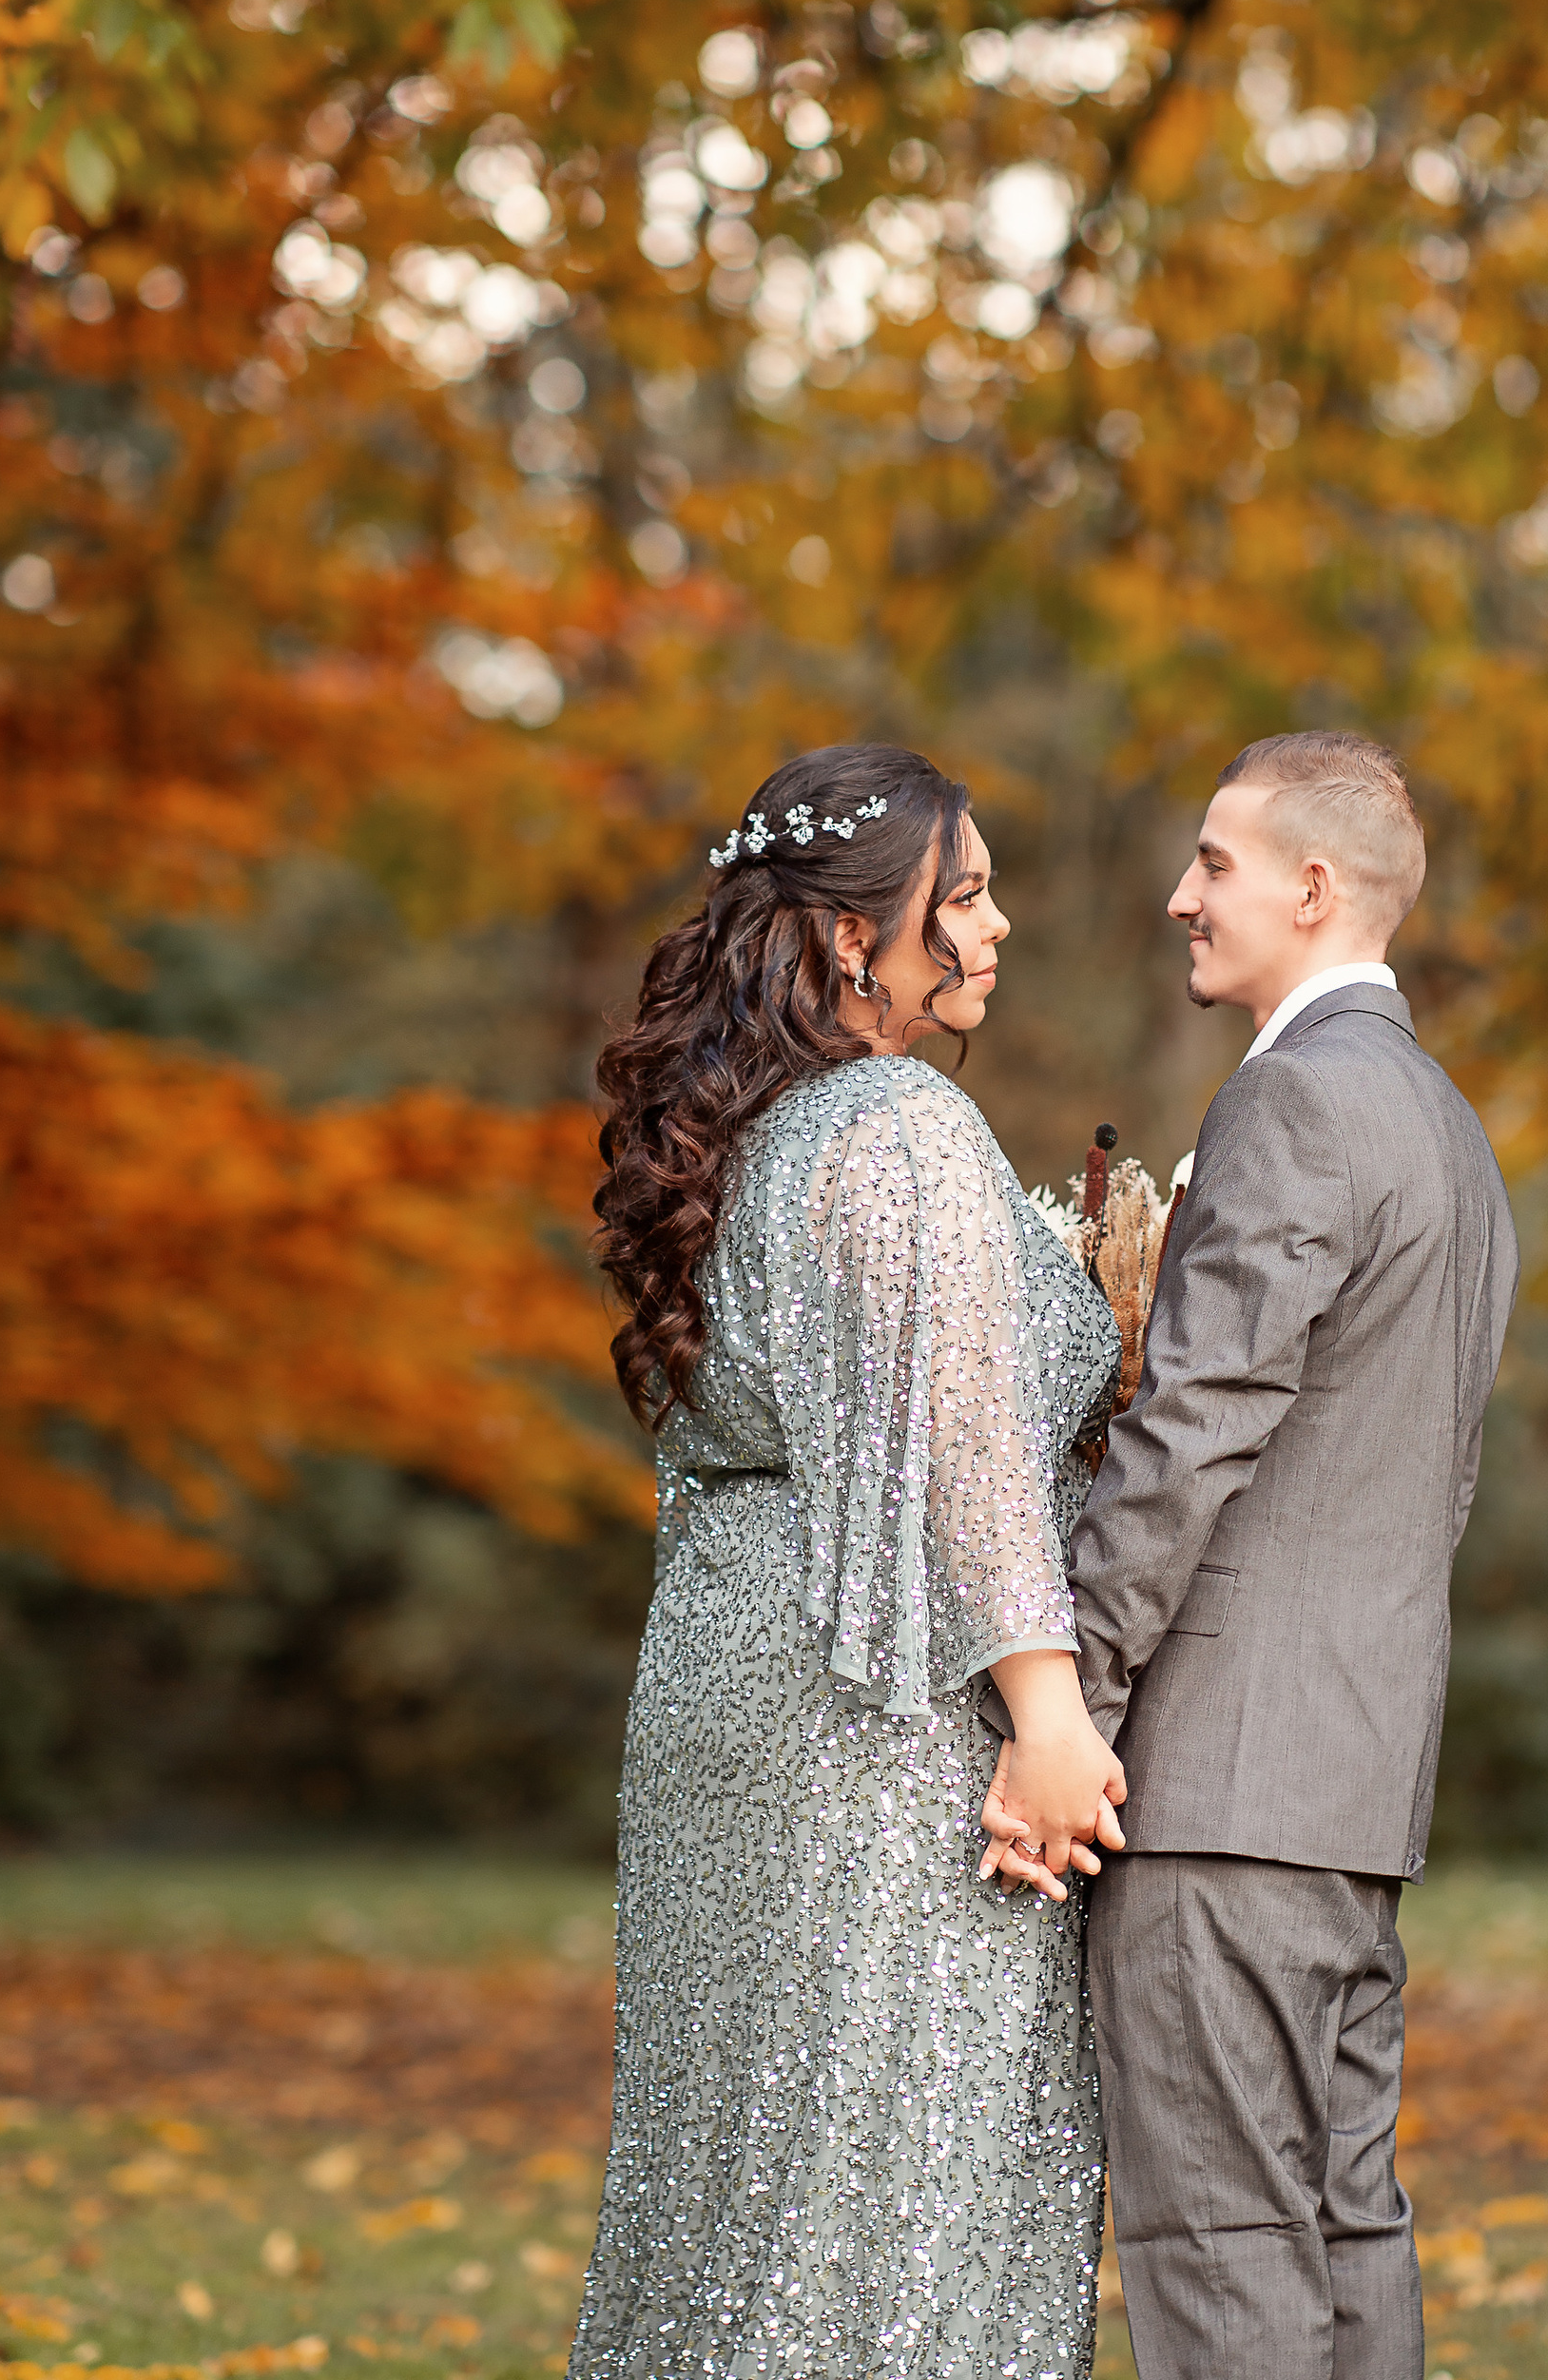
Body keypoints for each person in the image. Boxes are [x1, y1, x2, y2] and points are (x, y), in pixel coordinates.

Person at [572, 742, 1126, 2380]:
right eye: (963, 897)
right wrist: (1047, 1715)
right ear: (847, 939)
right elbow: (961, 1452)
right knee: (894, 2194)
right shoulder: (898, 1122)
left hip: (723, 1692)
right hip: (879, 1724)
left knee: (725, 2196)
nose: (1000, 926)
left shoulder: (743, 1132)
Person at [1028, 731, 1519, 2380]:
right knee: (1344, 2227)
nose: (1182, 895)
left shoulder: (1295, 1103)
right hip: (1360, 1780)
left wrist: (1067, 1708)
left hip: (1228, 1788)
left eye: (1215, 865)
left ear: (1313, 887)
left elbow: (1194, 1437)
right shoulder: (1448, 1130)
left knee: (1223, 2246)